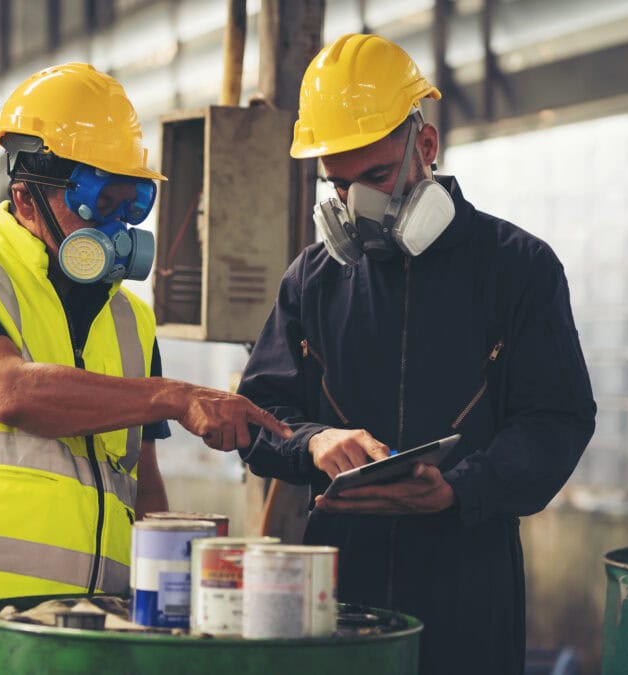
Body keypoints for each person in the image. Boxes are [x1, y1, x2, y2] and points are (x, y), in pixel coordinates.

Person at [0, 62, 291, 674]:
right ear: (24, 197)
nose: (113, 228)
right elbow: (10, 391)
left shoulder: (130, 321)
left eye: (126, 206)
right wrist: (171, 395)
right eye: (95, 205)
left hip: (82, 635)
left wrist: (180, 590)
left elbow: (141, 476)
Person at [237, 34, 595, 675]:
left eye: (375, 176)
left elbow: (557, 420)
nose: (355, 205)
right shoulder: (312, 280)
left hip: (469, 586)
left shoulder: (519, 270)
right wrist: (313, 441)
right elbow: (258, 411)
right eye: (337, 185)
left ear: (424, 147)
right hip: (337, 592)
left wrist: (459, 491)